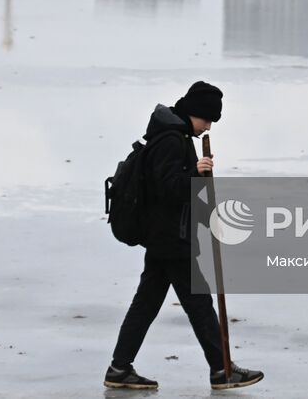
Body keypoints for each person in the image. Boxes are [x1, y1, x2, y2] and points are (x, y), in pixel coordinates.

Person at [104, 81, 265, 391]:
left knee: (147, 304)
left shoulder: (173, 136)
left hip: (166, 237)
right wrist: (197, 172)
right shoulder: (170, 140)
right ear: (196, 113)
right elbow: (169, 189)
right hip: (171, 239)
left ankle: (119, 367)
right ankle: (222, 370)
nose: (208, 128)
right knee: (199, 305)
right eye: (208, 120)